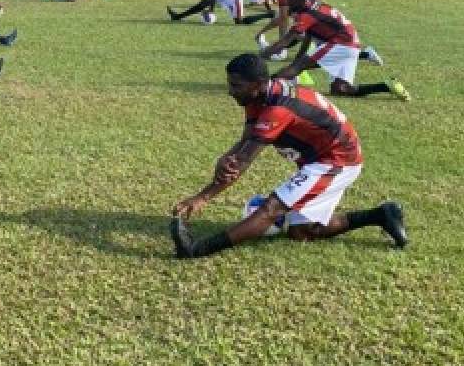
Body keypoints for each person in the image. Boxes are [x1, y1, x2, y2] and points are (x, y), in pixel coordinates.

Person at [168, 53, 409, 259]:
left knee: (271, 209)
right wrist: (227, 155)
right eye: (230, 84)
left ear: (258, 84)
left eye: (236, 86)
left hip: (338, 160)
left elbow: (244, 160)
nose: (230, 91)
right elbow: (248, 138)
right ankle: (381, 214)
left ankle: (196, 249)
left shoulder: (278, 109)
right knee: (302, 232)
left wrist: (203, 197)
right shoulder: (259, 96)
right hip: (319, 158)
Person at [259, 0, 409, 100]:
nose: (288, 1)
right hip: (350, 42)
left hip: (342, 43)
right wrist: (298, 60)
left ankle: (262, 86)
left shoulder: (308, 14)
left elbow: (285, 42)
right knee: (340, 89)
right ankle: (387, 86)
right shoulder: (312, 5)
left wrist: (262, 56)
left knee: (298, 66)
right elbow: (310, 35)